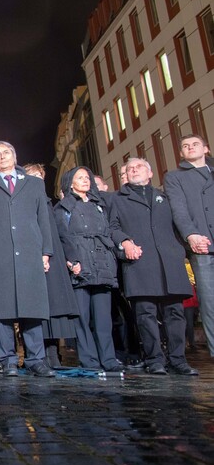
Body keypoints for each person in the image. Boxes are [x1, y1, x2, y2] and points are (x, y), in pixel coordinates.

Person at [0, 141, 56, 377]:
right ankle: (8, 360)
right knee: (2, 309)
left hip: (30, 252)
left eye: (6, 152)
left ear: (14, 156)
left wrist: (45, 252)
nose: (2, 157)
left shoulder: (34, 184)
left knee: (32, 306)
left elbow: (43, 220)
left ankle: (36, 360)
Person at [109, 158, 198, 375]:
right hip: (140, 262)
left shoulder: (165, 197)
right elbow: (112, 227)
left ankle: (178, 359)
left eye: (138, 167)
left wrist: (181, 249)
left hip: (169, 262)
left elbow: (181, 222)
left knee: (175, 313)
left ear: (150, 173)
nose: (133, 170)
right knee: (145, 314)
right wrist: (125, 241)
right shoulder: (117, 200)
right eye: (129, 169)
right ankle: (154, 359)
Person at [54, 166, 123, 372]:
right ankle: (89, 360)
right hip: (80, 264)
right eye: (79, 177)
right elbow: (62, 236)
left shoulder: (100, 204)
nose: (85, 180)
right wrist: (71, 260)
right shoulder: (63, 207)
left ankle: (108, 359)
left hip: (102, 262)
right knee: (82, 318)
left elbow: (110, 230)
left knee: (103, 318)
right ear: (70, 182)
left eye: (87, 177)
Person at [23, 162, 79, 369]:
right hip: (32, 259)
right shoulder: (24, 203)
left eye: (39, 175)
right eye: (31, 175)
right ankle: (38, 354)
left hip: (53, 259)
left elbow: (63, 233)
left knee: (54, 308)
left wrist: (70, 257)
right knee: (36, 308)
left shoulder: (50, 204)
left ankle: (53, 353)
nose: (36, 179)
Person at [164, 134, 214, 357]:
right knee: (209, 300)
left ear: (206, 148)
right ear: (181, 154)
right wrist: (191, 234)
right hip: (202, 244)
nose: (190, 148)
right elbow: (178, 209)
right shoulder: (174, 177)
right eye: (185, 146)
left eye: (195, 144)